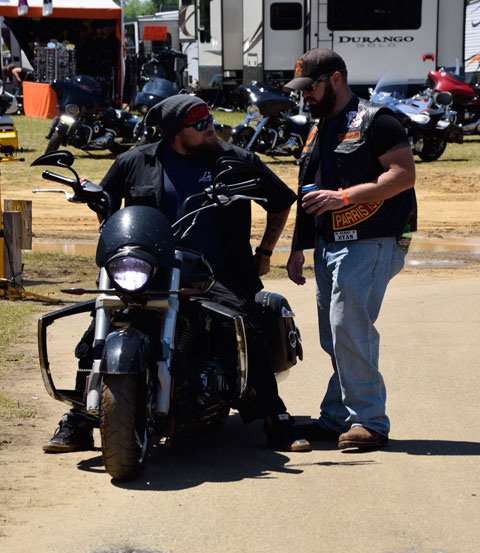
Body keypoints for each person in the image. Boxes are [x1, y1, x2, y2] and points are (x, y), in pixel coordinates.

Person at [42, 94, 310, 454]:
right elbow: (106, 202)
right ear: (174, 133)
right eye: (199, 124)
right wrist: (104, 216)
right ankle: (81, 417)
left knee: (247, 328)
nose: (210, 128)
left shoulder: (236, 161)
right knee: (98, 331)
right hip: (152, 270)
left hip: (217, 273)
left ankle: (274, 417)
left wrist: (264, 252)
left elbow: (281, 201)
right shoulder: (135, 161)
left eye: (209, 119)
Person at [283, 49, 417, 450]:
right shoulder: (318, 127)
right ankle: (337, 418)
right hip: (329, 244)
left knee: (349, 329)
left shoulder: (378, 120)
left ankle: (370, 421)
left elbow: (403, 175)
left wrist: (343, 197)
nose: (305, 96)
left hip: (371, 239)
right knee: (334, 336)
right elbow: (309, 192)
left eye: (311, 88)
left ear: (336, 80)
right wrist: (298, 248)